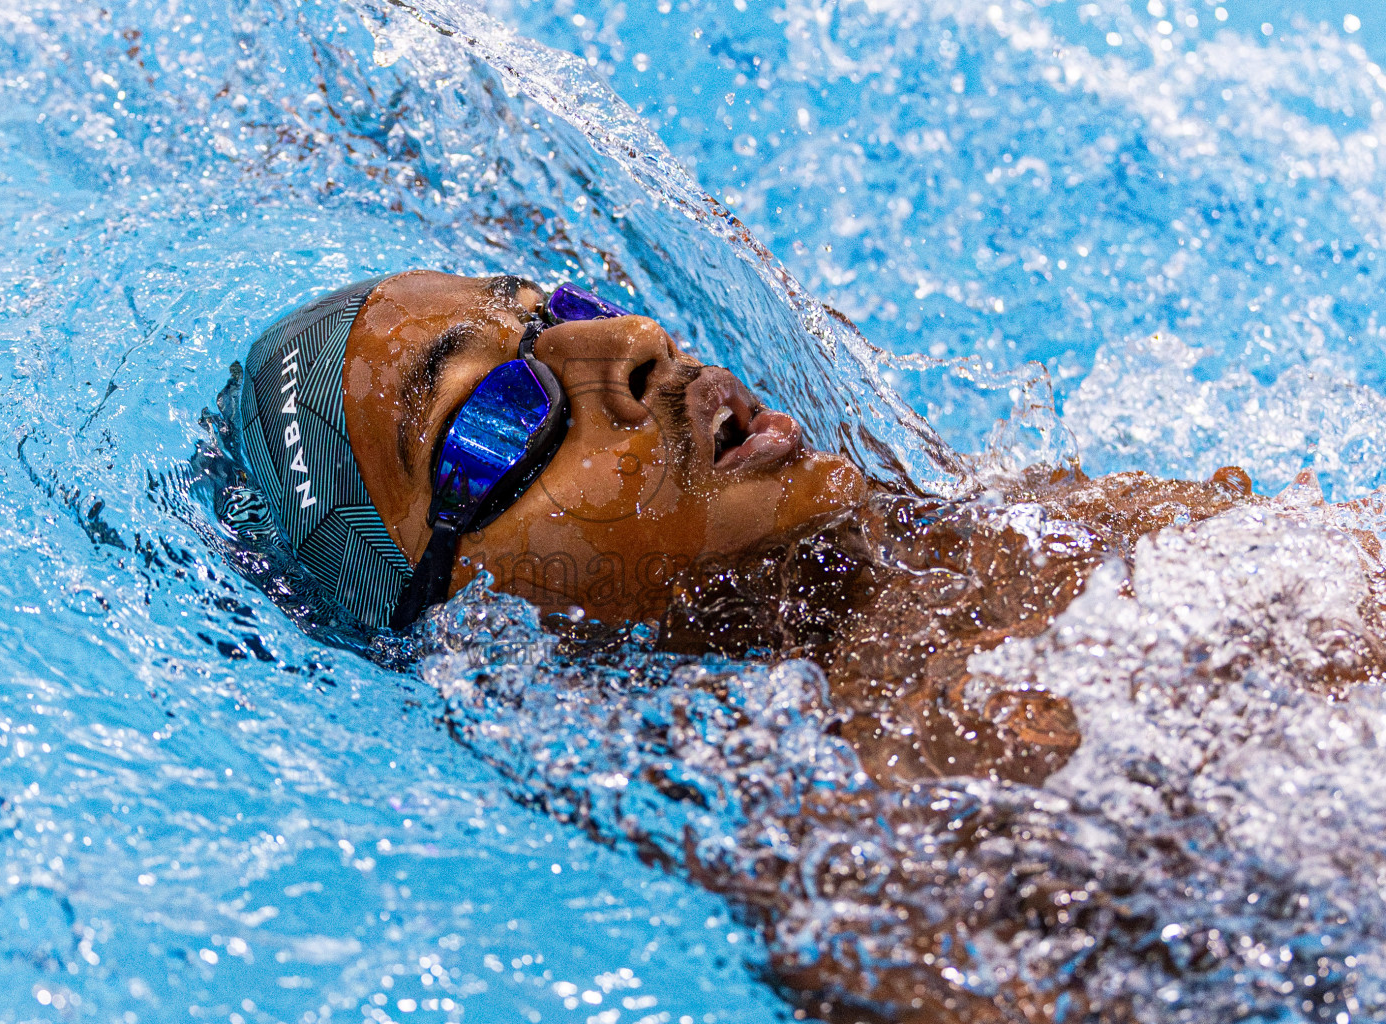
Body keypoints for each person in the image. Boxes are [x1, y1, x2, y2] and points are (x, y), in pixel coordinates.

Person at [234, 269, 1386, 1021]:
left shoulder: (972, 520)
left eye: (567, 309)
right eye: (498, 413)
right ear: (459, 629)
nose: (632, 347)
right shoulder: (893, 881)